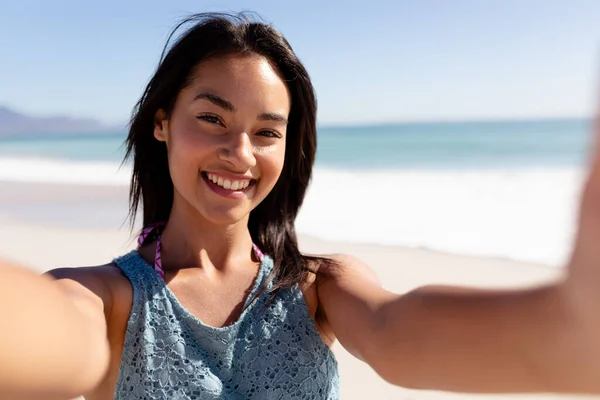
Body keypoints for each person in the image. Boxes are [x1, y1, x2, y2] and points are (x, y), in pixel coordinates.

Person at [1, 12, 600, 400]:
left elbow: (398, 336)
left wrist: (569, 328)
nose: (239, 153)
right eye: (212, 119)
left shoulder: (319, 288)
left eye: (267, 132)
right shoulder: (106, 300)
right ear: (162, 124)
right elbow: (46, 336)